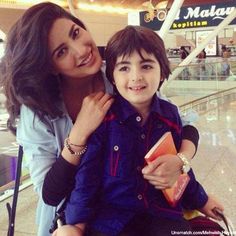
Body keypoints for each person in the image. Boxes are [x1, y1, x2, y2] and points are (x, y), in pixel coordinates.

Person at [0, 3, 200, 236]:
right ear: (50, 66)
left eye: (75, 33)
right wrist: (80, 133)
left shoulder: (121, 73)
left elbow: (184, 126)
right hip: (73, 219)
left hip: (134, 211)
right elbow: (51, 194)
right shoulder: (38, 112)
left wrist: (180, 160)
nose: (81, 50)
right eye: (61, 52)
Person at [54, 26, 224, 236]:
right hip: (112, 219)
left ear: (162, 72)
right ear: (113, 77)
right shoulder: (104, 119)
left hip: (161, 215)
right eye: (124, 68)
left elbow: (178, 168)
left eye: (146, 66)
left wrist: (202, 200)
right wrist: (76, 223)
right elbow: (87, 176)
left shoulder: (170, 116)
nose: (136, 77)